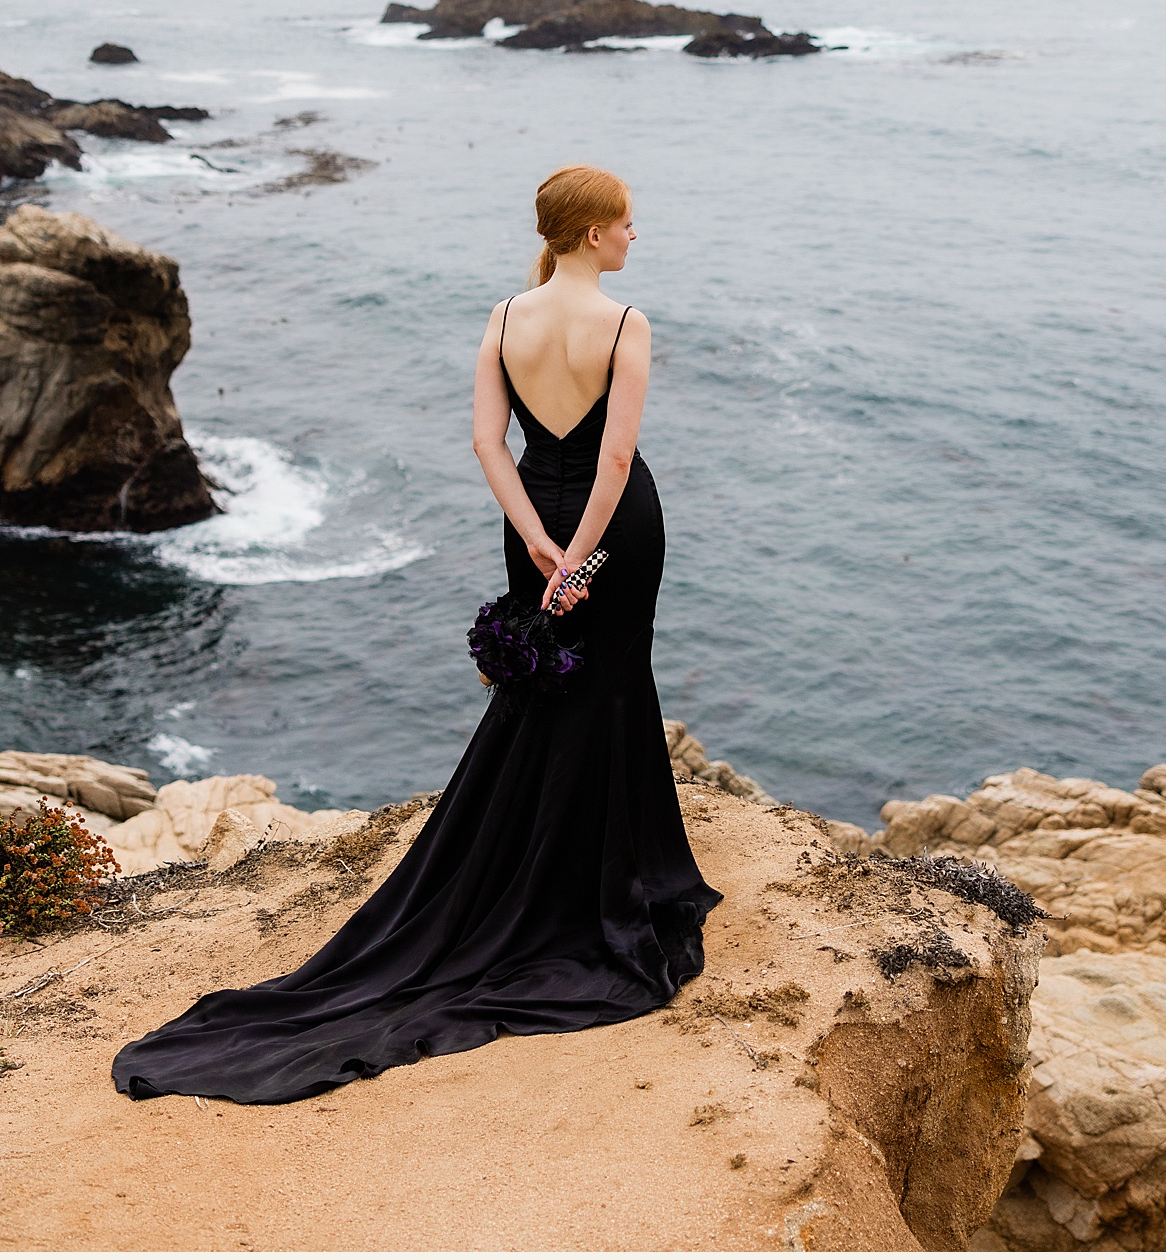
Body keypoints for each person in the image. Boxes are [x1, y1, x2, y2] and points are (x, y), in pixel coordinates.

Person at [110, 165, 721, 1104]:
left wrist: (536, 544)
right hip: (610, 529)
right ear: (594, 233)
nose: (636, 237)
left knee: (549, 688)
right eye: (629, 224)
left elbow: (487, 443)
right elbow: (619, 455)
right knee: (612, 679)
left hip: (535, 518)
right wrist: (583, 557)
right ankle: (604, 874)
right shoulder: (627, 324)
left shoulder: (504, 319)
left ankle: (527, 864)